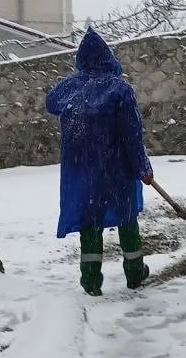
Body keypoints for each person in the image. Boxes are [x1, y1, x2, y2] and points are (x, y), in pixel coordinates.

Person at [46, 29, 153, 296]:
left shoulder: (71, 87)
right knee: (127, 220)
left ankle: (91, 281)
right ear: (108, 58)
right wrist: (143, 168)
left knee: (89, 223)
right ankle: (135, 273)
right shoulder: (119, 89)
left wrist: (76, 80)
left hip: (81, 172)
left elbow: (51, 102)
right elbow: (132, 134)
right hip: (116, 170)